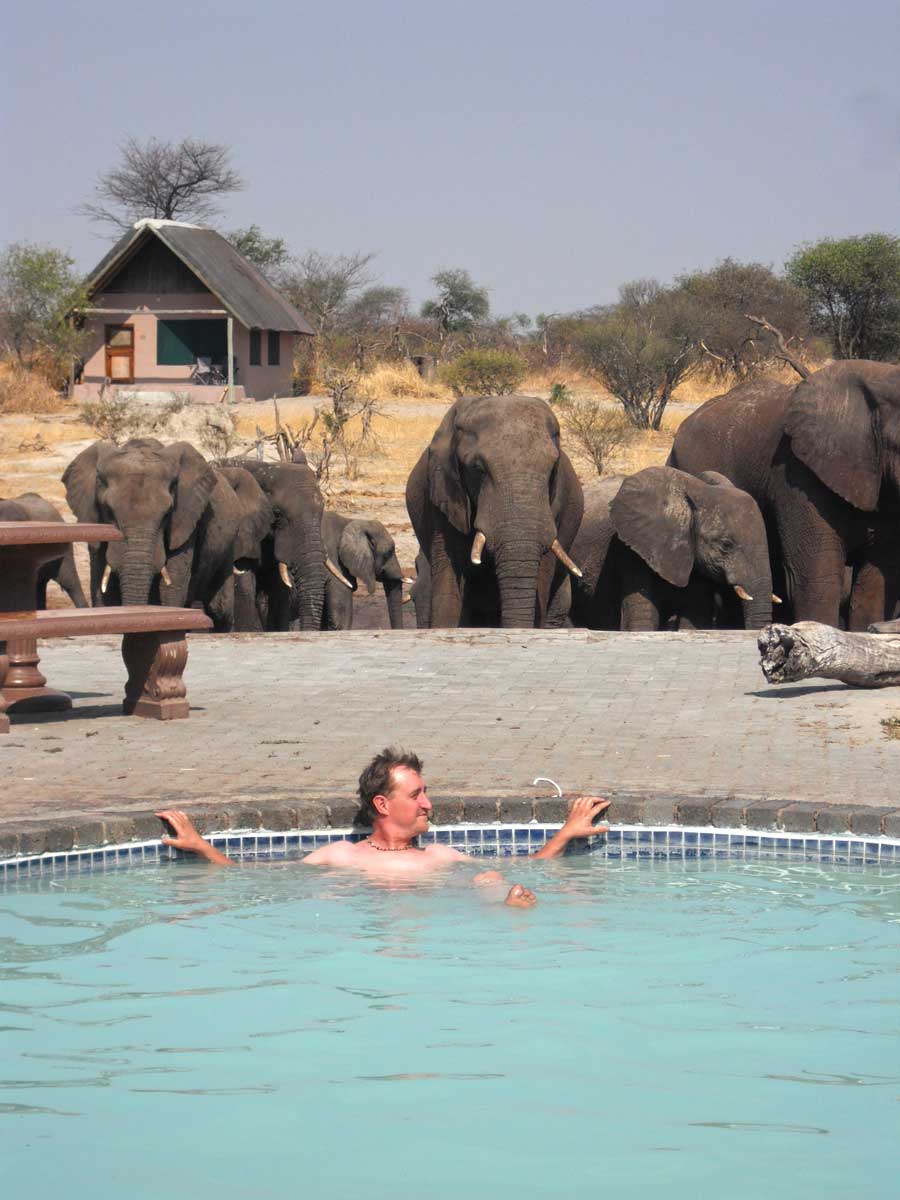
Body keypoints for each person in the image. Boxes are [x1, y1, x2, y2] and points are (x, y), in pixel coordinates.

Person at [156, 747, 610, 908]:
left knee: (491, 878)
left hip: (438, 912)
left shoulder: (439, 857)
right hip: (362, 924)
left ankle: (507, 908)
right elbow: (249, 878)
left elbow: (527, 865)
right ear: (382, 804)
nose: (428, 803)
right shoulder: (340, 856)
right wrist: (200, 847)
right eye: (416, 795)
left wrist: (565, 833)